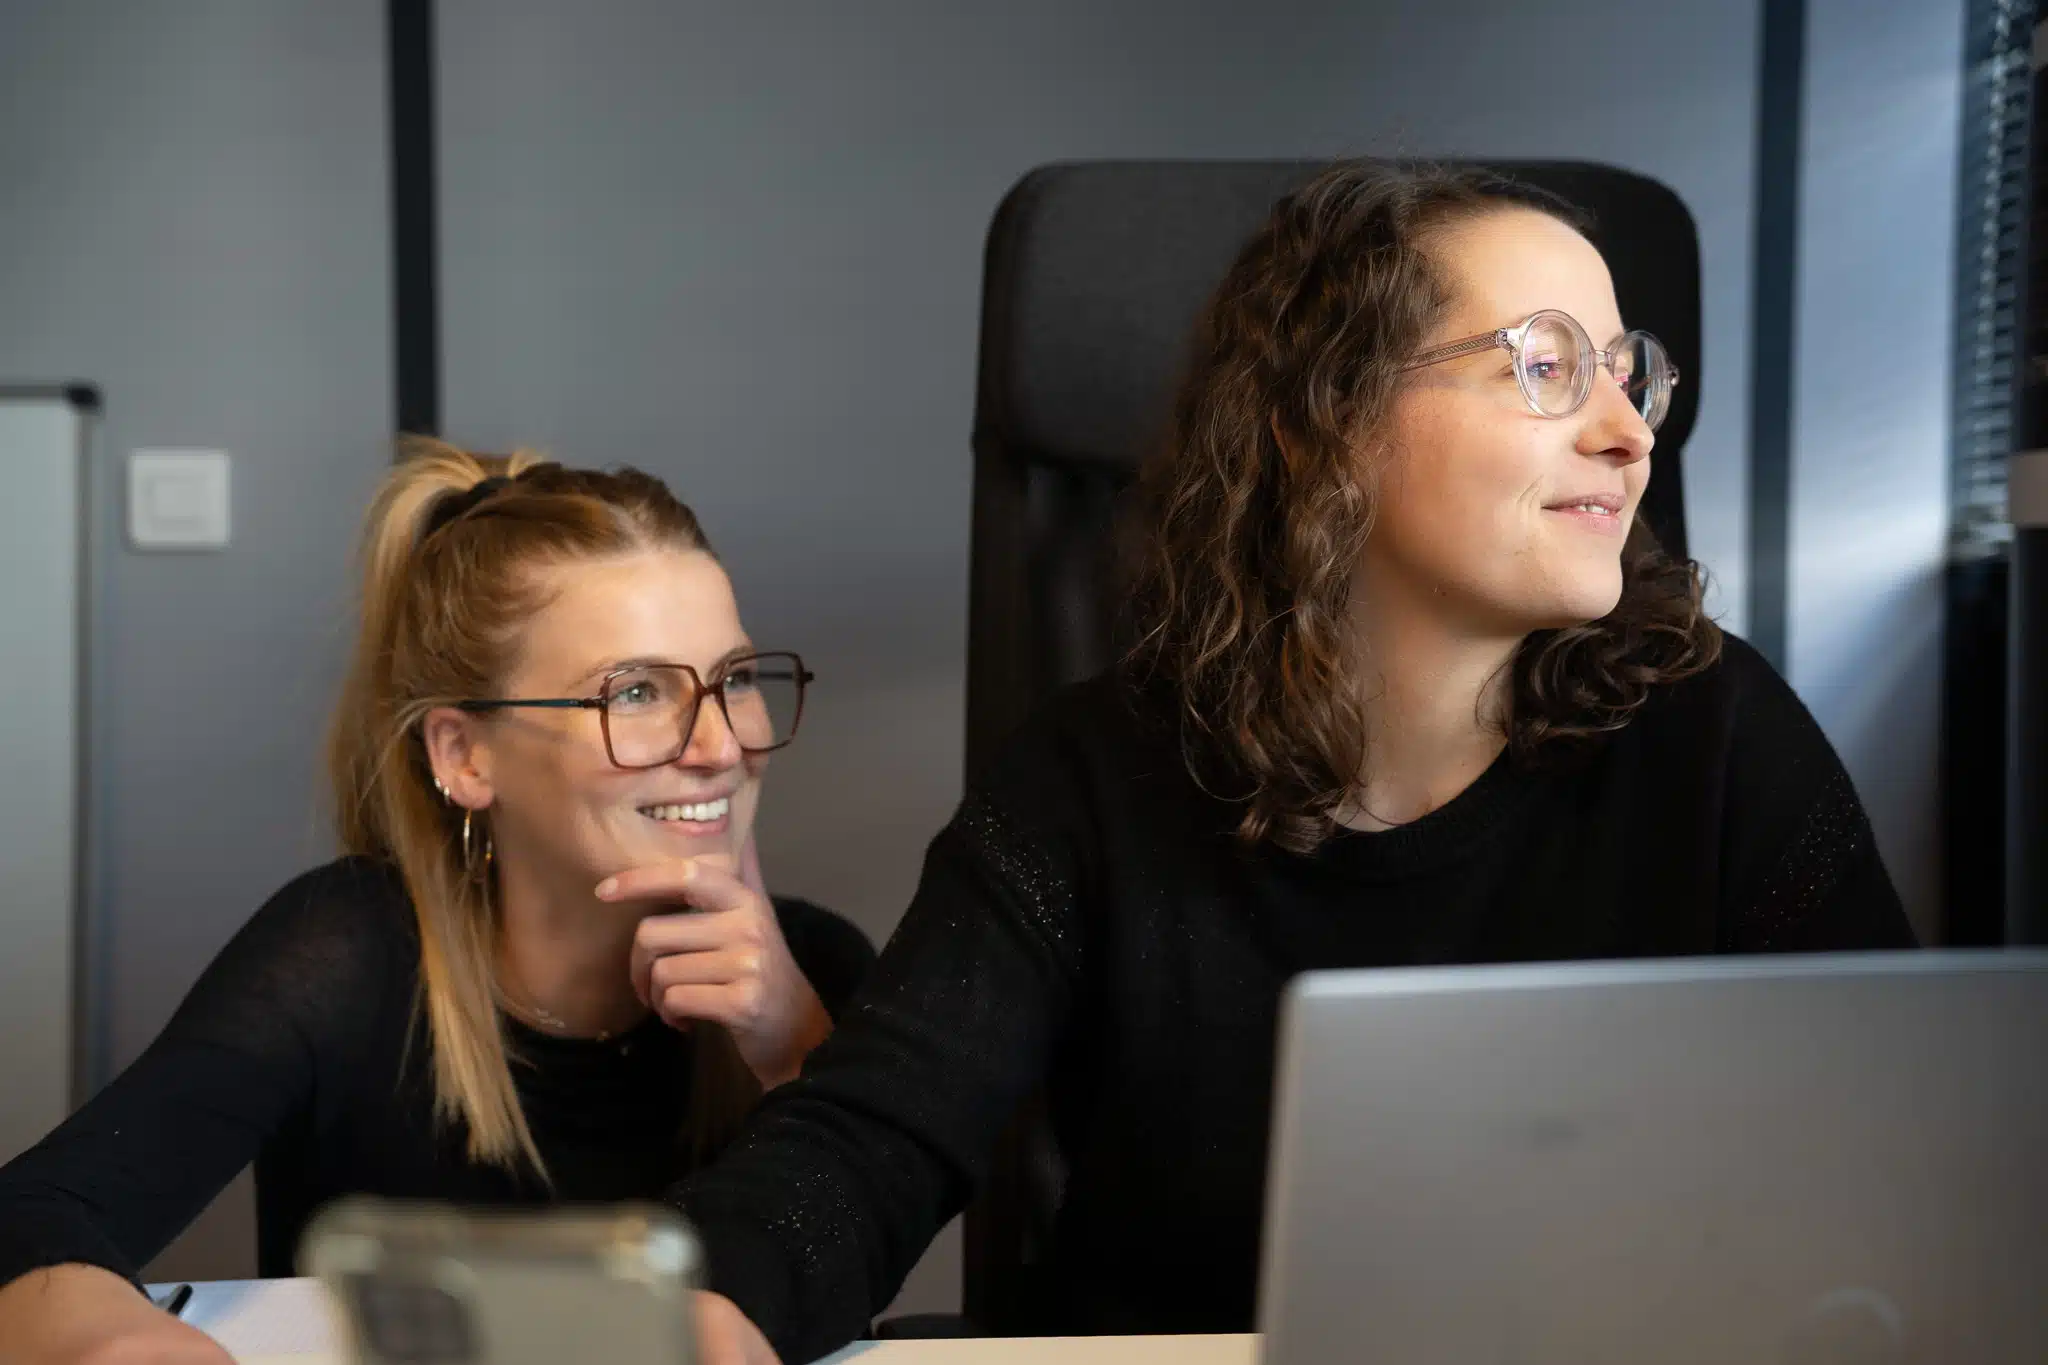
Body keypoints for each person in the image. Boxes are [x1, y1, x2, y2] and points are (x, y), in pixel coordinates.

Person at [675, 162, 1919, 1365]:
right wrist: (718, 1302)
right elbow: (875, 1131)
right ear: (1325, 425)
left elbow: (1895, 1148)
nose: (1626, 435)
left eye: (1625, 375)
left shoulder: (1713, 735)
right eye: (1544, 367)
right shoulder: (1088, 778)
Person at [0, 441, 874, 1365]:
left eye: (735, 678)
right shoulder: (347, 957)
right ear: (464, 755)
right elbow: (35, 1215)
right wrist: (120, 1342)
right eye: (635, 691)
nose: (721, 744)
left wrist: (799, 1052)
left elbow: (865, 1252)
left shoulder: (814, 967)